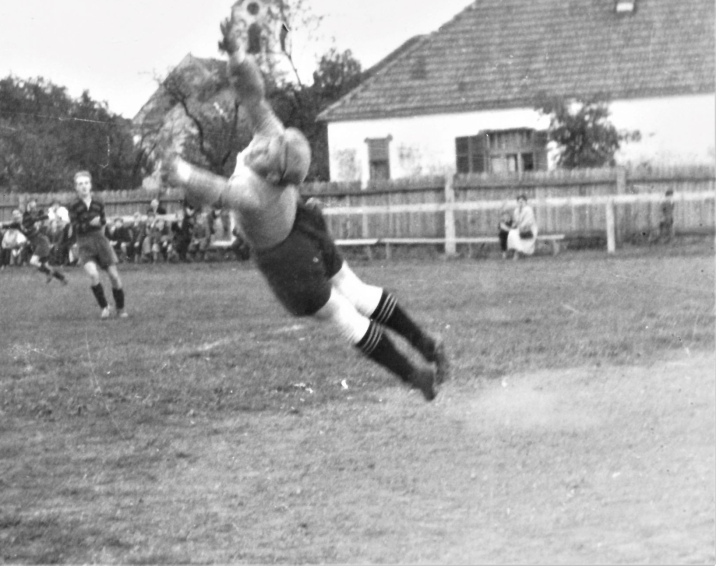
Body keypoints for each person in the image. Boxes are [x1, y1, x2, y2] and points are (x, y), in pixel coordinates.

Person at [161, 38, 447, 401]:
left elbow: (216, 190)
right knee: (355, 291)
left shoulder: (256, 194)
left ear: (276, 174)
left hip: (286, 256)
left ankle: (414, 375)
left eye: (272, 152)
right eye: (274, 141)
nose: (265, 145)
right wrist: (236, 55)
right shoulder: (272, 135)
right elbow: (252, 93)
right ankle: (425, 343)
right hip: (303, 220)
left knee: (344, 314)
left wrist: (181, 171)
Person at [68, 171, 128, 319]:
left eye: (86, 183)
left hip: (100, 240)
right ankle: (105, 307)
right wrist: (88, 224)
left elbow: (102, 221)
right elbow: (75, 226)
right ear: (76, 187)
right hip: (84, 242)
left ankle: (120, 309)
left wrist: (99, 225)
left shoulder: (99, 202)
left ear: (91, 185)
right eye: (80, 184)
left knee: (114, 276)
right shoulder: (73, 205)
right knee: (93, 274)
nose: (84, 186)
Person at [17, 199, 67, 284]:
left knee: (34, 262)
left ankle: (51, 274)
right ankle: (62, 278)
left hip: (42, 242)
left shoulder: (29, 217)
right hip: (38, 242)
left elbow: (37, 220)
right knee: (44, 265)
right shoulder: (23, 219)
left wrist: (48, 216)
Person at [505, 194, 538, 260]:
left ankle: (518, 253)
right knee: (512, 233)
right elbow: (516, 221)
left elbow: (528, 221)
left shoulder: (528, 210)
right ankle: (516, 251)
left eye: (522, 201)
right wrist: (514, 224)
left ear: (525, 202)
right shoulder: (516, 210)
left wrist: (520, 227)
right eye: (519, 202)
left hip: (529, 229)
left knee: (516, 235)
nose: (520, 203)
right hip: (520, 228)